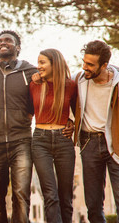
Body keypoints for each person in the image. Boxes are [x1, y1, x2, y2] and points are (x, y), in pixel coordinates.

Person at [74, 40, 119, 223]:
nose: (85, 67)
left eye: (90, 64)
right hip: (89, 144)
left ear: (104, 65)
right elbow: (57, 83)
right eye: (84, 62)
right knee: (93, 204)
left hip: (118, 145)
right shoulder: (79, 80)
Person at [0, 30, 39, 223]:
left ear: (17, 48)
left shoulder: (30, 72)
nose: (2, 43)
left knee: (21, 196)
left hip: (21, 142)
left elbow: (44, 96)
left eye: (8, 40)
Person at [29, 49, 77, 223]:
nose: (38, 66)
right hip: (40, 141)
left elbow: (78, 112)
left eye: (42, 62)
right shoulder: (34, 85)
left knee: (66, 196)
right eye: (38, 62)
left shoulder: (70, 85)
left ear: (54, 63)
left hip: (64, 141)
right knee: (50, 194)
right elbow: (27, 112)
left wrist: (71, 123)